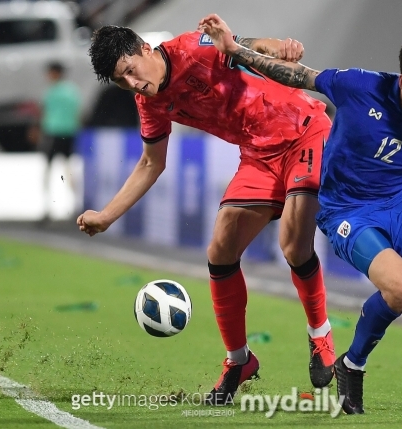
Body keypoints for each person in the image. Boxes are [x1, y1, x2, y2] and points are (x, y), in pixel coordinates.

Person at [199, 13, 402, 414]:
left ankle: (350, 364)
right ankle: (353, 366)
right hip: (346, 210)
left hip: (401, 205)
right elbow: (297, 74)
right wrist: (236, 50)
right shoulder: (358, 86)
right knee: (401, 288)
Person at [76, 25, 337, 405]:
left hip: (304, 131)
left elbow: (242, 46)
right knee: (220, 250)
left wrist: (277, 47)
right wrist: (106, 216)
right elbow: (152, 163)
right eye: (122, 81)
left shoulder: (190, 49)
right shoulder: (148, 102)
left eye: (131, 70)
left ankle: (321, 336)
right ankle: (238, 361)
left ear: (145, 49)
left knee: (294, 245)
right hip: (257, 155)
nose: (134, 84)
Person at [31, 61, 82, 220]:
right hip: (70, 132)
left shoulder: (50, 92)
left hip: (53, 133)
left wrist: (37, 129)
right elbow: (78, 113)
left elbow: (43, 113)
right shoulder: (73, 91)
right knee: (68, 169)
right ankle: (75, 206)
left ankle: (47, 207)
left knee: (48, 170)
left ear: (55, 73)